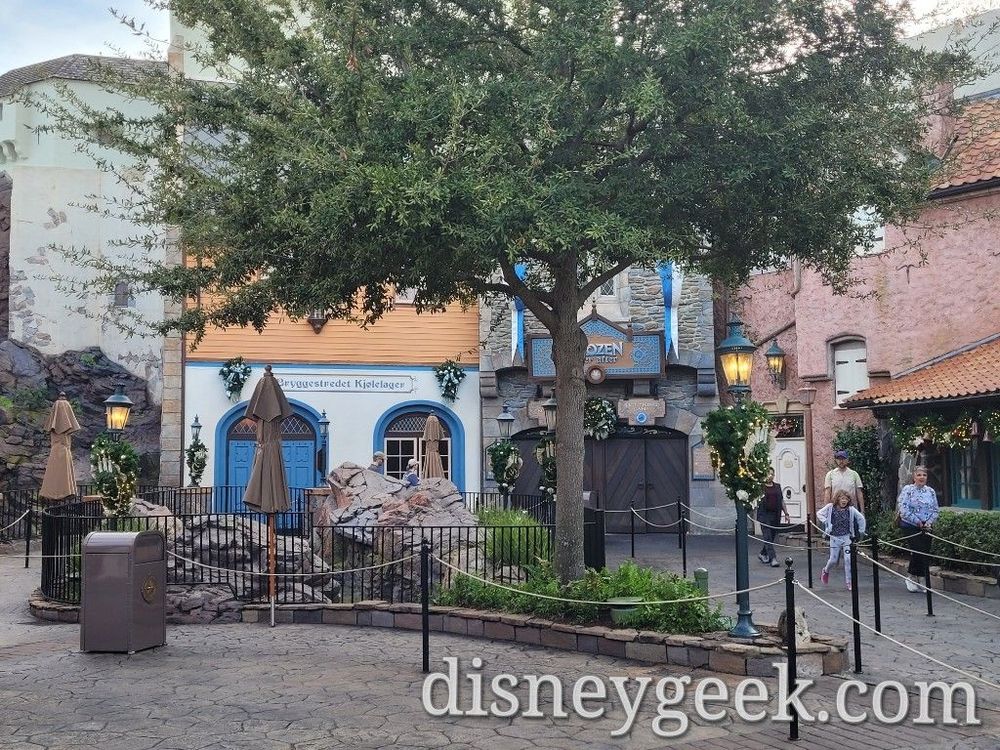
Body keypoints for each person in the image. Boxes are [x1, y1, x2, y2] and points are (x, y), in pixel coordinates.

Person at [896, 465, 939, 592]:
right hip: (910, 525)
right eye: (919, 475)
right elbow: (903, 509)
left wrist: (929, 522)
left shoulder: (930, 491)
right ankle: (911, 577)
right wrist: (917, 521)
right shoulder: (908, 490)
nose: (922, 477)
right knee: (918, 550)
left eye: (924, 475)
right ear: (914, 477)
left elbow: (935, 509)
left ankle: (919, 577)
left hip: (927, 526)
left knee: (924, 553)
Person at [817, 489, 867, 590]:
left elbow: (860, 518)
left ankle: (849, 582)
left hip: (846, 537)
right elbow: (819, 513)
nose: (844, 501)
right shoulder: (830, 507)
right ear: (838, 499)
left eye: (846, 499)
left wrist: (861, 530)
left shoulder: (851, 509)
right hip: (834, 537)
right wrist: (826, 522)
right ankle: (826, 570)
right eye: (842, 498)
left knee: (848, 559)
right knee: (833, 560)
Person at [757, 468, 790, 567]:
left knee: (771, 537)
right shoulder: (760, 487)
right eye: (768, 474)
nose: (770, 476)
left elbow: (781, 501)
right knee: (767, 536)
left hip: (775, 515)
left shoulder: (777, 487)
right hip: (764, 515)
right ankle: (773, 558)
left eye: (772, 474)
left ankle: (762, 553)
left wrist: (786, 513)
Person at [824, 449, 865, 514]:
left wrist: (862, 511)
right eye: (839, 459)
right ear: (836, 460)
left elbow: (859, 493)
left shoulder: (854, 474)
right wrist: (826, 511)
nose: (841, 461)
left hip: (851, 510)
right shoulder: (830, 474)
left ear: (847, 460)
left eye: (843, 459)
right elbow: (827, 494)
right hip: (835, 510)